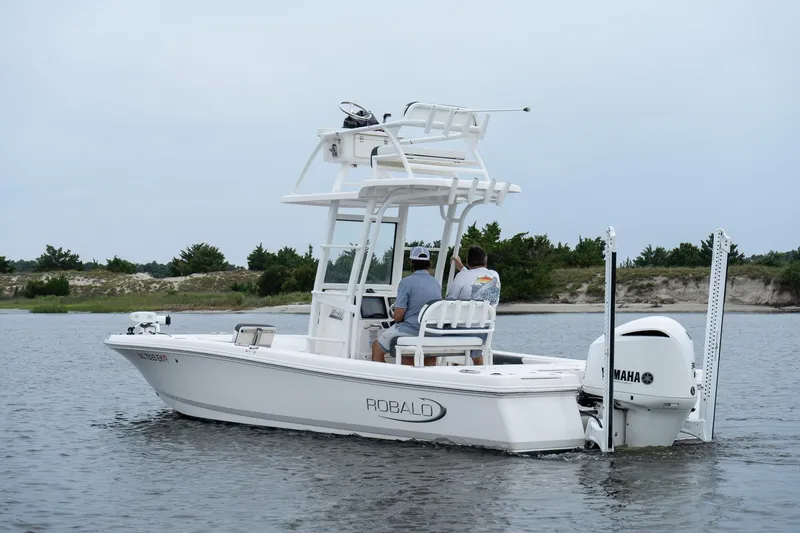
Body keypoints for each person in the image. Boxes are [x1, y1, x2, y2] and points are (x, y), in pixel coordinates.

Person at [372, 246, 442, 366]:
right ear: (428, 264)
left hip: (412, 330)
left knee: (377, 347)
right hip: (433, 331)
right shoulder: (436, 283)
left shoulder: (406, 282)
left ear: (411, 263)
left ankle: (384, 379)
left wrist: (398, 317)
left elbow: (398, 316)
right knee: (427, 357)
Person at [446, 245, 501, 364]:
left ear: (468, 261)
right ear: (485, 261)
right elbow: (476, 276)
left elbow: (450, 300)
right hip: (484, 332)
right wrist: (462, 268)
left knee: (439, 327)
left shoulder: (462, 276)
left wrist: (462, 270)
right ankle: (479, 366)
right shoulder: (494, 276)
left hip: (462, 331)